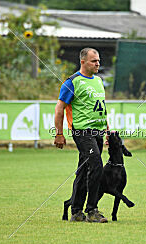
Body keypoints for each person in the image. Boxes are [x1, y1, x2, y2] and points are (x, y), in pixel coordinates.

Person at [54, 47, 109, 223]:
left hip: (98, 131)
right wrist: (59, 133)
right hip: (83, 131)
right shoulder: (72, 82)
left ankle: (76, 212)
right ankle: (92, 210)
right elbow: (59, 108)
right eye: (94, 61)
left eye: (99, 60)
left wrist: (107, 130)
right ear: (83, 61)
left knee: (84, 170)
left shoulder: (99, 81)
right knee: (97, 166)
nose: (98, 63)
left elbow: (101, 108)